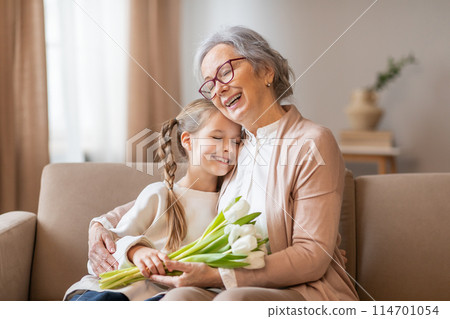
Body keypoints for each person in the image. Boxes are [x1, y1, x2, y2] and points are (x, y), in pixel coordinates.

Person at [88, 26, 359, 301]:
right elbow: (178, 195)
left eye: (226, 72)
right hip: (228, 286)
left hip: (302, 290)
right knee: (176, 301)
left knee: (231, 303)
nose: (218, 89)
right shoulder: (234, 150)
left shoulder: (311, 141)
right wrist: (99, 226)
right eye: (210, 84)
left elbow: (312, 256)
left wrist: (215, 275)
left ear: (266, 70)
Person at [64, 98, 242, 301]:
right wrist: (136, 252)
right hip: (116, 292)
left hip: (163, 298)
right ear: (188, 141)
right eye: (217, 138)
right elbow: (108, 250)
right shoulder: (159, 194)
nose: (229, 148)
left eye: (236, 141)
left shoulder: (229, 207)